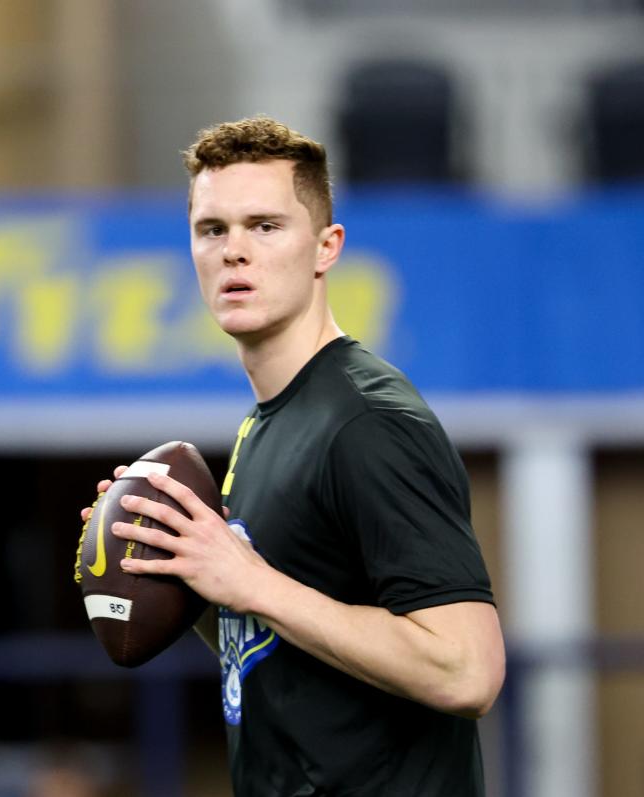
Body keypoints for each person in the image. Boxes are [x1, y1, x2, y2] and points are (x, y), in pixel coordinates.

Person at [80, 116, 505, 796]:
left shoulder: (367, 420)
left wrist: (250, 581)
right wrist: (186, 574)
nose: (234, 251)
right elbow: (290, 651)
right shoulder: (268, 423)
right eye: (212, 229)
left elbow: (468, 670)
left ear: (325, 247)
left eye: (266, 226)